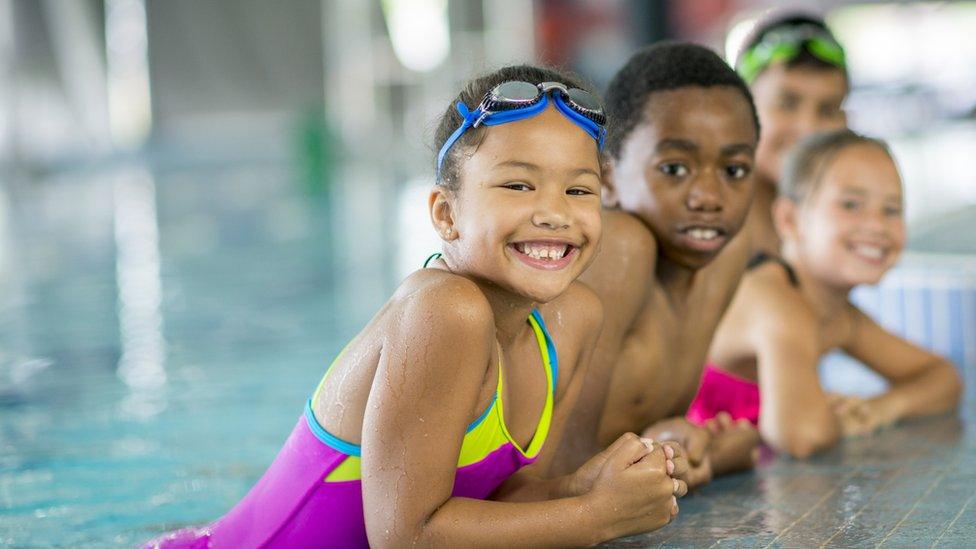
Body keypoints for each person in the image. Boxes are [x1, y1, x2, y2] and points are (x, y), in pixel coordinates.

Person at [144, 64, 687, 549]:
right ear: (446, 214)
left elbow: (501, 504)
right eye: (519, 185)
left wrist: (589, 486)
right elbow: (405, 537)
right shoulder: (444, 310)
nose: (553, 213)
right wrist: (594, 517)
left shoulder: (574, 320)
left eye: (578, 191)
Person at [549, 43, 762, 487]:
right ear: (606, 177)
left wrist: (702, 452)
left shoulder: (725, 253)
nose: (708, 197)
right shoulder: (622, 247)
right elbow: (555, 476)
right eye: (674, 168)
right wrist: (692, 457)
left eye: (735, 170)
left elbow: (650, 440)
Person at [695, 129, 962, 458]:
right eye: (851, 205)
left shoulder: (839, 316)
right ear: (790, 220)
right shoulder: (773, 299)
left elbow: (942, 377)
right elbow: (802, 436)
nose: (877, 225)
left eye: (892, 210)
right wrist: (829, 414)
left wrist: (878, 410)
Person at [734, 11, 850, 256]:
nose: (808, 128)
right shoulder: (709, 236)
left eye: (828, 110)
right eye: (787, 104)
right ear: (737, 108)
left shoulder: (839, 238)